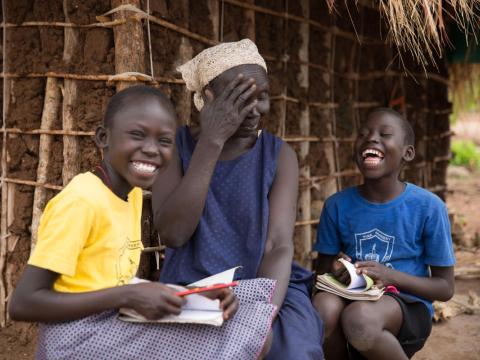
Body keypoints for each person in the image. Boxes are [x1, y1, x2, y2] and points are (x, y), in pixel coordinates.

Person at [9, 86, 276, 360]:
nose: (151, 149)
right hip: (74, 339)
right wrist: (127, 295)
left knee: (241, 304)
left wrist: (192, 296)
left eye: (164, 141)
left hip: (113, 320)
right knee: (227, 338)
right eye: (137, 135)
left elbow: (111, 282)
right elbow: (23, 303)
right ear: (103, 138)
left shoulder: (132, 194)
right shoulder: (82, 201)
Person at [152, 39, 324, 360]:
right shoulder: (176, 148)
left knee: (294, 353)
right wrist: (212, 141)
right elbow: (173, 234)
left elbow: (278, 246)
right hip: (193, 293)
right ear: (207, 99)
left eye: (263, 97)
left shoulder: (278, 156)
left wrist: (259, 315)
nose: (256, 109)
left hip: (266, 289)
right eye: (241, 98)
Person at [312, 108, 455, 360]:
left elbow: (444, 288)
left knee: (359, 318)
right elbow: (322, 271)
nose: (371, 138)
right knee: (322, 308)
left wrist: (389, 275)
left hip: (406, 306)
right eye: (364, 134)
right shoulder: (337, 205)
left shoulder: (428, 207)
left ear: (407, 153)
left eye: (385, 134)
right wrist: (339, 270)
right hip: (352, 297)